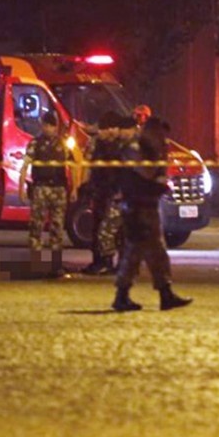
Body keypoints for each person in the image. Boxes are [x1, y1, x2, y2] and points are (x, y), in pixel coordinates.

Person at [112, 117, 191, 311]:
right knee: (143, 252)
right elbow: (146, 173)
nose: (163, 140)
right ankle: (154, 294)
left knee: (145, 253)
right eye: (160, 135)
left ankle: (160, 294)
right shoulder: (136, 148)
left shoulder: (148, 149)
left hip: (147, 206)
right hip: (137, 207)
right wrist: (159, 156)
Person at [19, 111, 75, 278]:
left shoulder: (63, 144)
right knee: (36, 226)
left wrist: (75, 188)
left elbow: (73, 166)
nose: (48, 129)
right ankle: (35, 265)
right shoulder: (35, 143)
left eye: (51, 126)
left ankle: (56, 266)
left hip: (59, 188)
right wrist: (21, 188)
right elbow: (25, 166)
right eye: (46, 125)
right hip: (40, 188)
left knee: (57, 227)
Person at [80, 111, 124, 275]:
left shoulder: (122, 145)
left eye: (105, 129)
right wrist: (85, 186)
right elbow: (89, 165)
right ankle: (100, 261)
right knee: (97, 227)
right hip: (100, 191)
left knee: (117, 231)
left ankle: (117, 263)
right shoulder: (96, 144)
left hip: (116, 193)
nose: (102, 133)